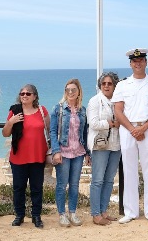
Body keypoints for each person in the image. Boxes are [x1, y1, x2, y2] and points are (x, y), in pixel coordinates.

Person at [112, 48, 148, 224]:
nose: (138, 63)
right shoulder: (122, 84)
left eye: (141, 60)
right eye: (135, 61)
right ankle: (131, 211)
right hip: (128, 130)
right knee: (129, 171)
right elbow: (118, 110)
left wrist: (143, 128)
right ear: (130, 64)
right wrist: (133, 129)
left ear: (146, 62)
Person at [2, 84, 50, 228]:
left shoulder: (42, 110)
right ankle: (19, 215)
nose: (24, 95)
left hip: (37, 156)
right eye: (22, 93)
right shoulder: (14, 111)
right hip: (18, 157)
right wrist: (11, 122)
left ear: (34, 96)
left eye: (28, 93)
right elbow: (5, 133)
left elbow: (50, 130)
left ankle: (36, 216)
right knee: (18, 188)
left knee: (37, 188)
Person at [50, 78, 90, 228]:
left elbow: (84, 133)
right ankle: (62, 214)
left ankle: (72, 212)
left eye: (73, 89)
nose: (71, 92)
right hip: (63, 152)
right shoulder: (58, 109)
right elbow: (53, 132)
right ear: (65, 92)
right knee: (62, 184)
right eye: (68, 90)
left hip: (78, 152)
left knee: (74, 184)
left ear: (79, 92)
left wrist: (87, 153)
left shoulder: (83, 110)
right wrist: (56, 151)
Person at [87, 71, 122, 226]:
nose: (106, 86)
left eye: (110, 83)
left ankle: (104, 211)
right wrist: (111, 124)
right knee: (97, 180)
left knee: (109, 180)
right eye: (104, 83)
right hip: (100, 145)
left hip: (116, 144)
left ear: (115, 85)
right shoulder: (95, 101)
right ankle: (95, 214)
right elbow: (93, 123)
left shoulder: (118, 101)